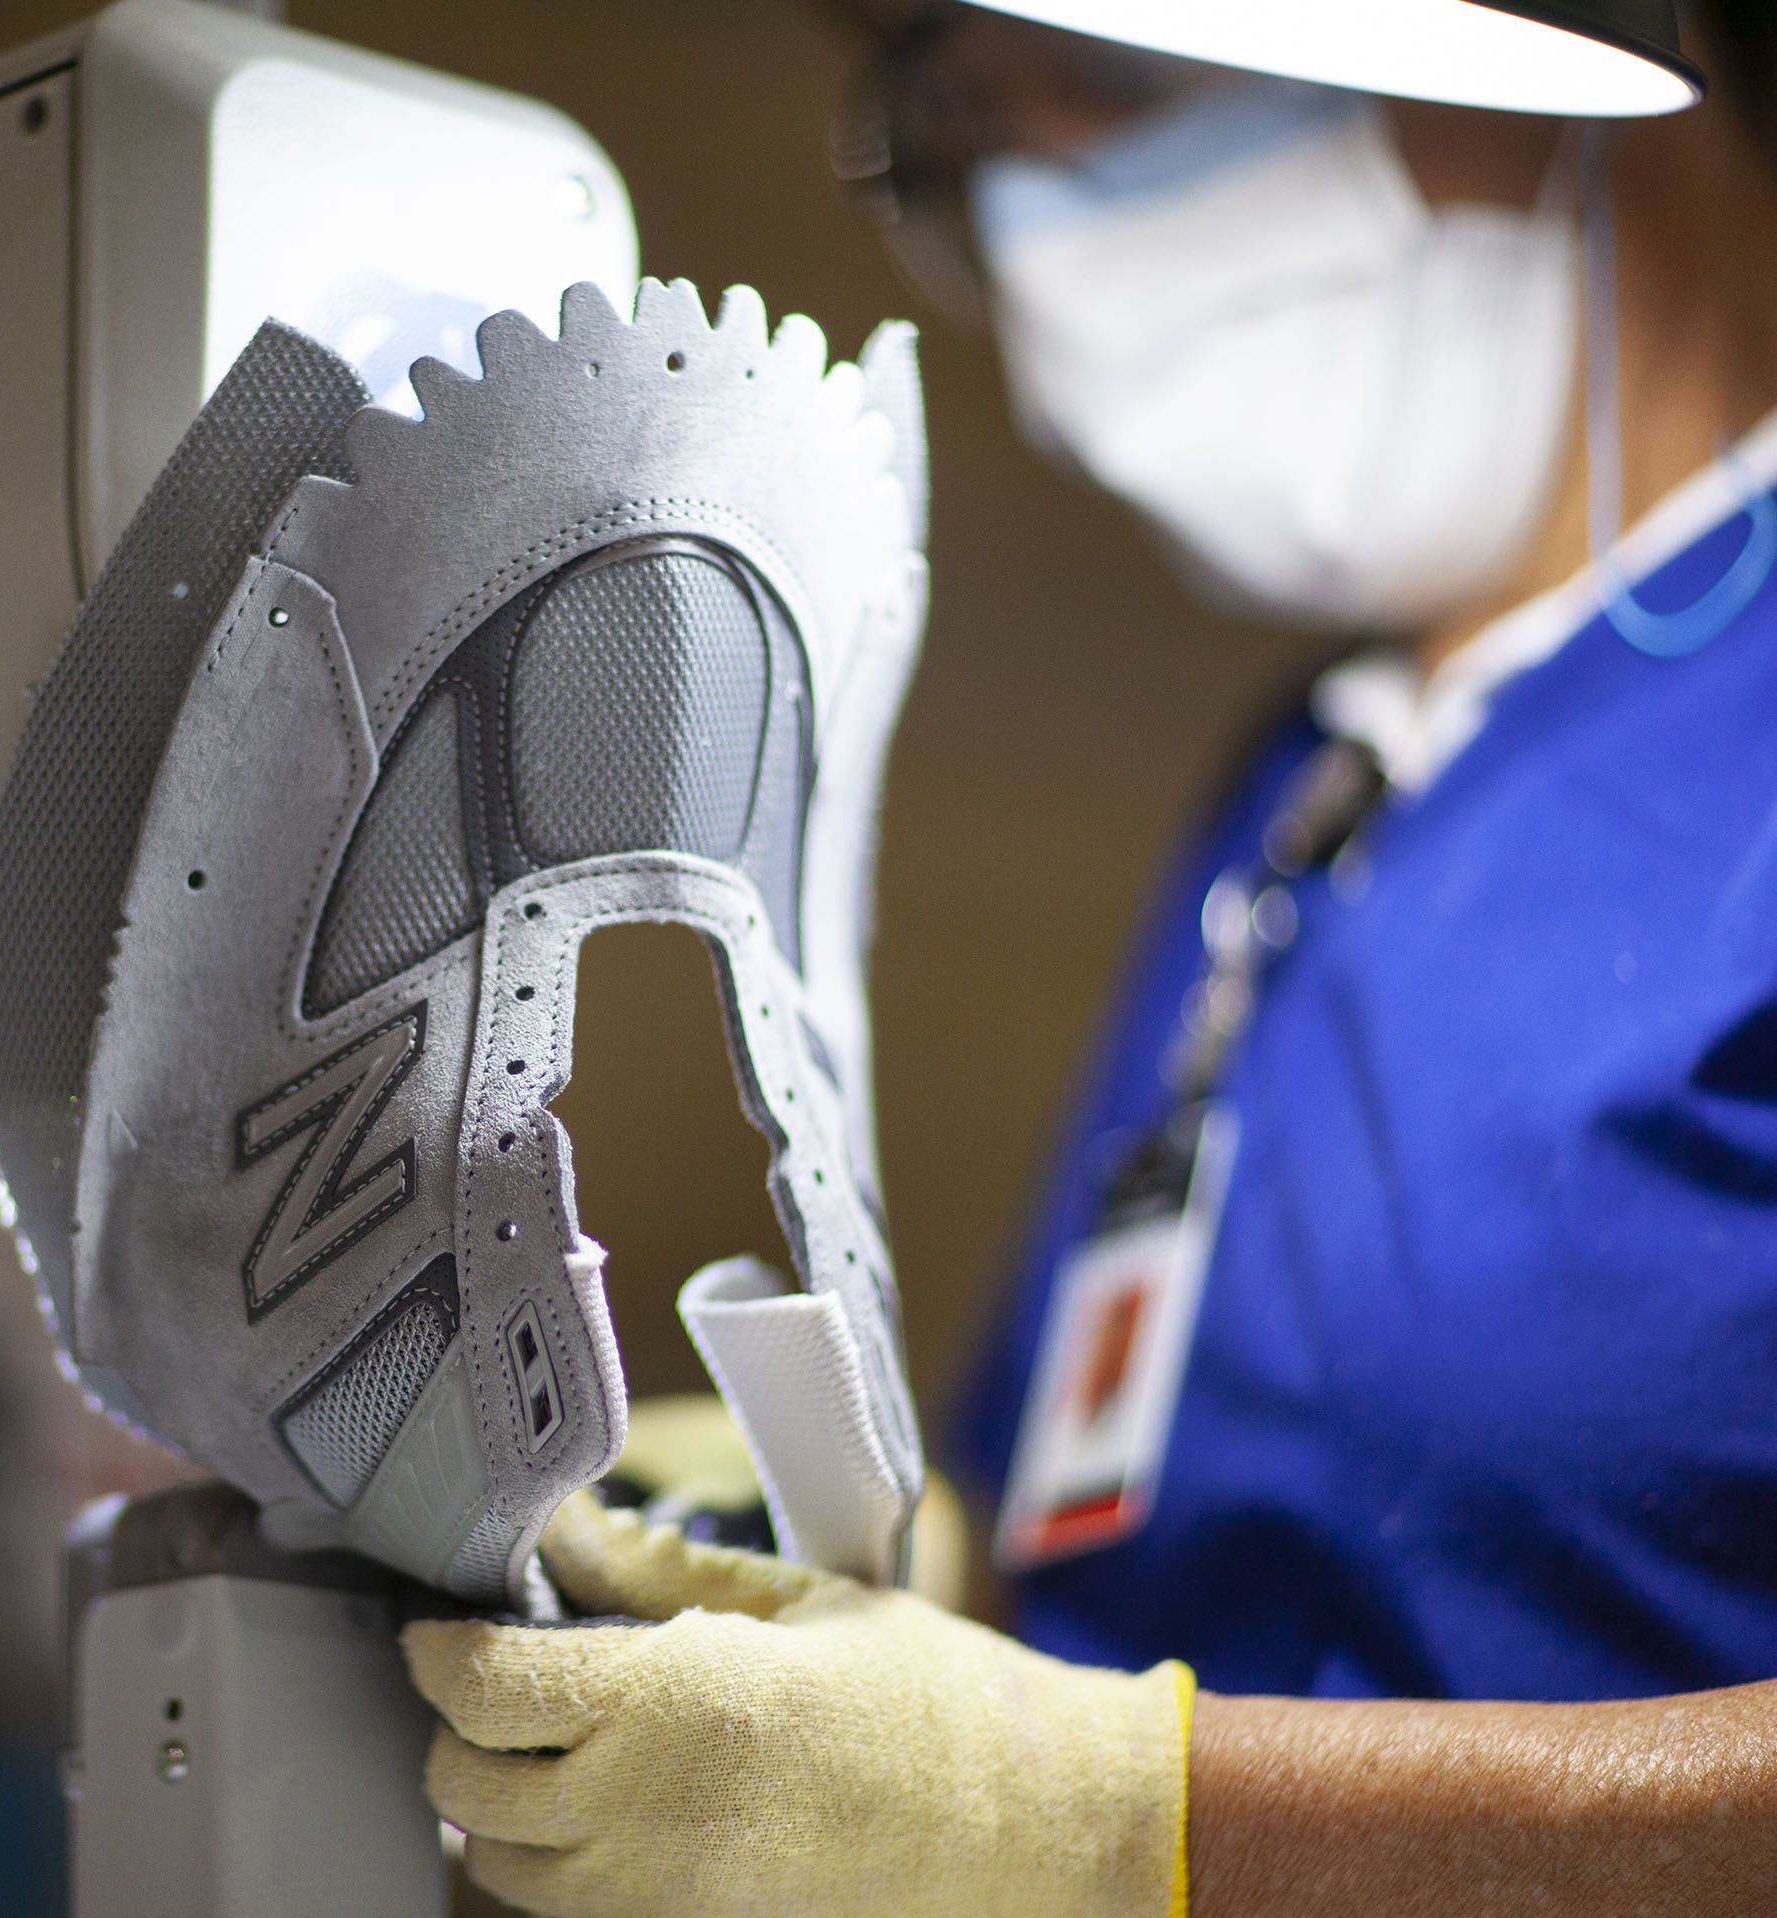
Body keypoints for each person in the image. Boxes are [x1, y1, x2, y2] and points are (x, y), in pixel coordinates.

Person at [402, 5, 1777, 1912]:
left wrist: (1147, 1816)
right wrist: (867, 1556)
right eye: (966, 122)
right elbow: (1130, 1490)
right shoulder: (1325, 778)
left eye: (1133, 74)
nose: (1057, 218)